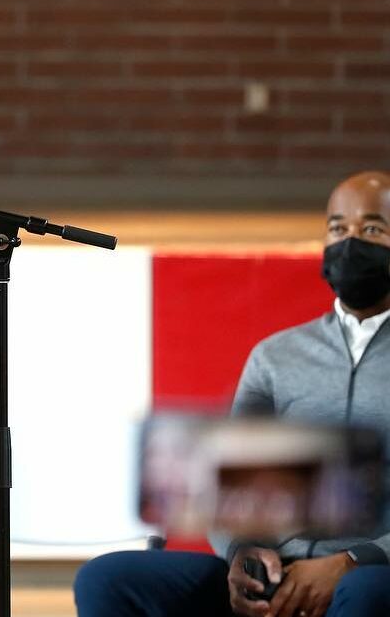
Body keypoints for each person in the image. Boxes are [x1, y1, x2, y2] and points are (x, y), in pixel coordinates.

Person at [75, 171, 390, 617]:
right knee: (107, 578)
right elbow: (226, 481)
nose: (350, 242)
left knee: (366, 594)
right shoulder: (276, 356)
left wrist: (354, 561)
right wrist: (242, 553)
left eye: (373, 229)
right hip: (276, 575)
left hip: (373, 575)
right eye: (338, 228)